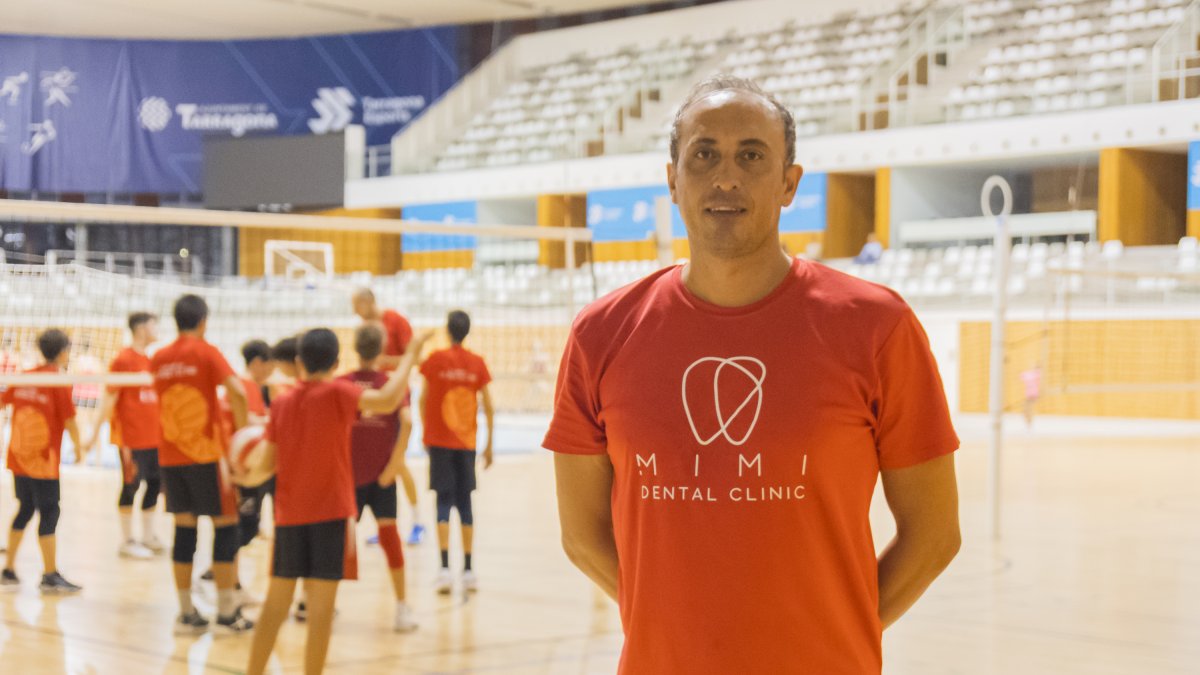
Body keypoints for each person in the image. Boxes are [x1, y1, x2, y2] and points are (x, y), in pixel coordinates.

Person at [545, 77, 961, 674]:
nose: (726, 176)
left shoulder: (877, 327)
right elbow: (582, 535)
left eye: (751, 155)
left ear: (790, 183)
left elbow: (935, 535)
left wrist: (834, 631)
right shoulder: (601, 334)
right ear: (672, 180)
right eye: (704, 153)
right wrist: (678, 627)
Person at [245, 327, 430, 675]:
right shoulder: (338, 393)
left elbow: (264, 465)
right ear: (335, 361)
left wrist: (243, 477)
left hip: (289, 517)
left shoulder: (282, 402)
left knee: (275, 604)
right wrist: (411, 354)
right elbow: (390, 399)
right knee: (321, 611)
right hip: (331, 516)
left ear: (299, 362)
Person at [151, 294, 253, 635]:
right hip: (208, 455)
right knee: (226, 525)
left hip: (170, 455)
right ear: (203, 321)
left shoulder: (159, 357)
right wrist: (241, 435)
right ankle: (226, 615)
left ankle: (185, 614)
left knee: (184, 531)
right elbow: (237, 392)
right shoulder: (207, 351)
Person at [337, 324, 418, 632]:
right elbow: (408, 424)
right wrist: (394, 466)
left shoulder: (342, 383)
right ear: (383, 349)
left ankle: (313, 602)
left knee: (336, 541)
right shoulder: (392, 384)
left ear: (356, 349)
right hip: (382, 476)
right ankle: (401, 608)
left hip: (349, 476)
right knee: (390, 538)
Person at [0, 329, 84, 593]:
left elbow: (3, 402)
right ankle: (49, 574)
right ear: (62, 353)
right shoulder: (57, 382)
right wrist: (81, 449)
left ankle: (9, 570)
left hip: (18, 457)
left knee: (25, 509)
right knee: (49, 511)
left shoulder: (25, 377)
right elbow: (70, 421)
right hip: (43, 462)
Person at [419, 310, 494, 595]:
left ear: (447, 330)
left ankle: (444, 570)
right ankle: (469, 570)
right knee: (465, 505)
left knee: (442, 503)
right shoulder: (477, 363)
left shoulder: (434, 360)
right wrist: (489, 445)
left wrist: (426, 434)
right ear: (468, 330)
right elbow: (488, 406)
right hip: (467, 445)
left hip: (439, 443)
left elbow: (423, 399)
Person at [86, 312, 163, 560]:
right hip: (131, 439)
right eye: (154, 324)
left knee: (155, 484)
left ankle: (148, 537)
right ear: (141, 328)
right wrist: (93, 435)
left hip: (155, 439)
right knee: (131, 485)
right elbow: (109, 398)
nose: (157, 329)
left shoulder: (151, 361)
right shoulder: (123, 359)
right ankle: (127, 541)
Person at [352, 288, 425, 545]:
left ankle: (417, 521)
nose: (353, 311)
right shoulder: (364, 327)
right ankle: (384, 525)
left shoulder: (395, 320)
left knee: (398, 462)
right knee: (376, 461)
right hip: (373, 400)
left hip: (395, 399)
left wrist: (386, 361)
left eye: (356, 305)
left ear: (368, 301)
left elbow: (414, 358)